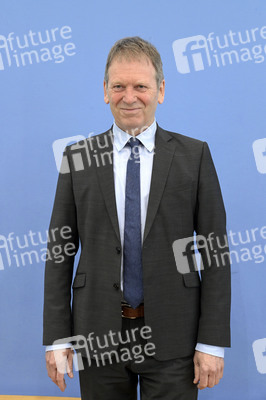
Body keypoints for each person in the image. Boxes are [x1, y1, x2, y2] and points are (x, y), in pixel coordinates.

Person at [44, 36, 231, 400]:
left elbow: (215, 254)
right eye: (119, 86)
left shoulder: (194, 156)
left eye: (141, 86)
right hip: (98, 336)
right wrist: (56, 336)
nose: (129, 97)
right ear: (105, 91)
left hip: (175, 334)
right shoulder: (78, 157)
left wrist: (212, 343)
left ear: (160, 91)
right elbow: (59, 252)